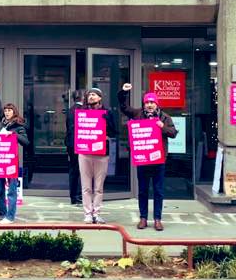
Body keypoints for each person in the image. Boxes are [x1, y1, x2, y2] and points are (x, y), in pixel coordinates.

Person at [118, 84, 177, 231]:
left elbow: (174, 133)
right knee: (143, 190)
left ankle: (157, 219)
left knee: (158, 191)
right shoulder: (138, 114)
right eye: (147, 102)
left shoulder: (164, 117)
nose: (149, 105)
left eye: (152, 102)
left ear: (157, 104)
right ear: (144, 104)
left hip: (159, 160)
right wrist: (124, 92)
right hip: (143, 160)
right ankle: (143, 218)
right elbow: (124, 108)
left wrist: (162, 126)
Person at [69, 87, 119, 224]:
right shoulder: (81, 112)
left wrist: (106, 124)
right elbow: (74, 130)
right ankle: (87, 214)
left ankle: (96, 213)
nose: (91, 96)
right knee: (86, 186)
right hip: (85, 152)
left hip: (102, 153)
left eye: (94, 94)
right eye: (89, 94)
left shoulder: (107, 112)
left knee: (98, 187)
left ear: (100, 97)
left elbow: (115, 131)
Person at [0, 84, 28, 225]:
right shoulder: (4, 122)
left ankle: (10, 216)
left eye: (9, 110)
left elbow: (26, 142)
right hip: (0, 162)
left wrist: (13, 135)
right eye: (6, 111)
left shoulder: (18, 126)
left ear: (14, 112)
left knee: (11, 192)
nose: (6, 112)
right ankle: (2, 212)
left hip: (11, 163)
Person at [65, 90, 84, 206]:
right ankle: (78, 195)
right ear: (82, 98)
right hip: (81, 143)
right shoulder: (83, 110)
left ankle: (73, 196)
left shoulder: (70, 110)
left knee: (73, 170)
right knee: (82, 170)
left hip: (71, 143)